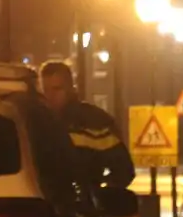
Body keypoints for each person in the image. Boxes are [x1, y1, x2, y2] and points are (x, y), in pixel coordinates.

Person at [38, 61, 135, 191]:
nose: (50, 96)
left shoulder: (94, 122)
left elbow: (123, 171)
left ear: (70, 88)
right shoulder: (30, 122)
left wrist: (99, 195)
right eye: (45, 90)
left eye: (57, 89)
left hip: (82, 206)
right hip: (40, 205)